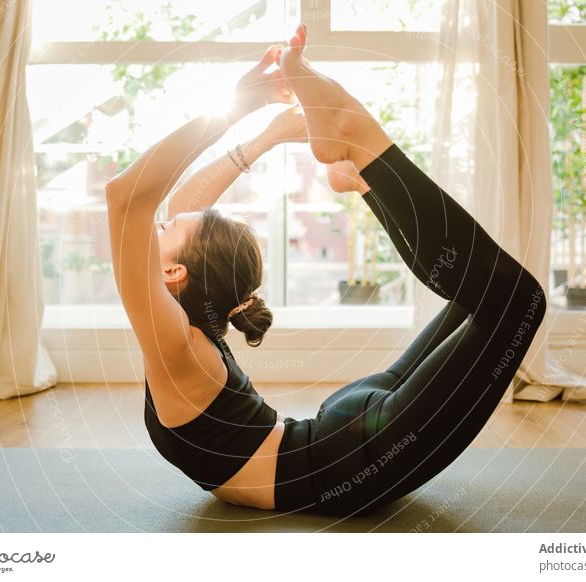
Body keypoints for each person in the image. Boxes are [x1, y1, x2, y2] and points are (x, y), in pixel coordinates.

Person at [105, 24, 547, 517]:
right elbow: (149, 203)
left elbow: (154, 202)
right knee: (505, 298)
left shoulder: (180, 341)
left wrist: (262, 131)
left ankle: (363, 157)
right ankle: (365, 169)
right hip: (348, 446)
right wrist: (243, 106)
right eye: (163, 226)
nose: (159, 223)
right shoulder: (178, 341)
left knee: (510, 298)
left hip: (349, 453)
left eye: (162, 228)